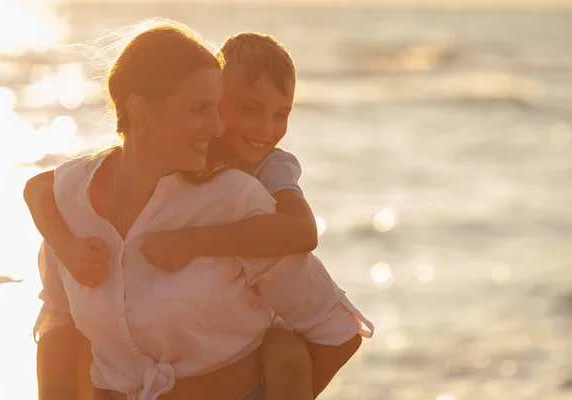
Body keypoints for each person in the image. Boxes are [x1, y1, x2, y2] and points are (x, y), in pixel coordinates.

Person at [28, 21, 373, 400]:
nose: (216, 126)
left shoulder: (243, 194)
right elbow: (58, 323)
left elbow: (334, 327)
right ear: (140, 113)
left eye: (216, 108)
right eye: (201, 108)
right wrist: (66, 246)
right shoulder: (74, 198)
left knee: (283, 349)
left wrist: (192, 242)